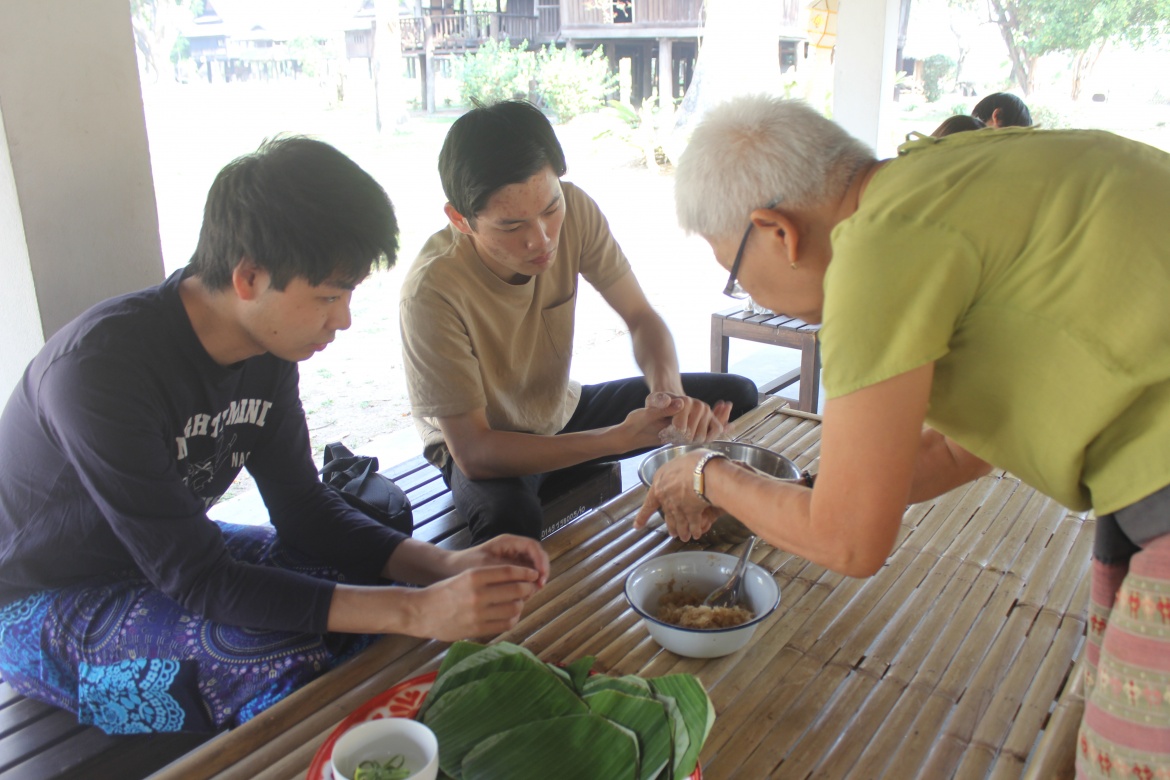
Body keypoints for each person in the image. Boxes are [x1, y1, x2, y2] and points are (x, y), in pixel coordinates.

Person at [634, 95, 1170, 779]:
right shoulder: (944, 176)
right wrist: (801, 493)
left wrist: (707, 473)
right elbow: (961, 447)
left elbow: (850, 541)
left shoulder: (874, 247)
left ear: (777, 231)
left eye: (734, 275)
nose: (747, 294)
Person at [0, 137, 549, 735]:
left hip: (167, 553)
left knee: (365, 589)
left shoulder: (266, 350)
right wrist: (416, 609)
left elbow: (303, 508)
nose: (341, 320)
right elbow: (201, 579)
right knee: (276, 657)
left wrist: (444, 566)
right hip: (40, 594)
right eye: (328, 296)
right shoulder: (98, 373)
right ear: (249, 277)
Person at [400, 100, 758, 543]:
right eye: (512, 227)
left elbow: (642, 317)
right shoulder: (431, 291)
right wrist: (617, 439)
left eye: (550, 209)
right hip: (492, 443)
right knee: (509, 524)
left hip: (560, 411)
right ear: (460, 220)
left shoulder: (576, 211)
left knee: (736, 396)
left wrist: (670, 400)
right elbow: (474, 452)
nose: (541, 239)